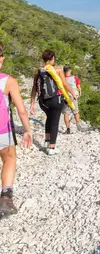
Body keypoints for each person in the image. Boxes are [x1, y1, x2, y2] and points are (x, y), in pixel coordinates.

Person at [0, 42, 32, 216]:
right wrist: (27, 130)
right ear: (2, 59)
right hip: (2, 131)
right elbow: (21, 110)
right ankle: (5, 198)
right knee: (9, 159)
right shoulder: (8, 81)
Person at [30, 50, 78, 155]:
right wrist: (73, 94)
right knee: (54, 123)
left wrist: (32, 103)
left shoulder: (38, 71)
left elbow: (34, 87)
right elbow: (65, 84)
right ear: (52, 58)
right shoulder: (58, 69)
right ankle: (52, 147)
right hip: (55, 100)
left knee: (48, 120)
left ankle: (47, 142)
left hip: (43, 102)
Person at [62, 65, 82, 133]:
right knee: (76, 111)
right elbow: (79, 87)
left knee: (66, 113)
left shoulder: (62, 78)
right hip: (73, 96)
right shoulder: (75, 78)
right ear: (70, 70)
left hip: (65, 97)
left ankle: (68, 128)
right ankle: (78, 124)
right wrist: (79, 92)